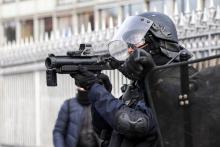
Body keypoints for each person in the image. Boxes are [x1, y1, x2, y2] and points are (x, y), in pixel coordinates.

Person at [71, 12, 190, 147]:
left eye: (136, 40)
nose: (129, 49)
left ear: (158, 42)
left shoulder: (178, 80)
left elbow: (136, 124)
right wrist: (101, 91)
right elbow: (103, 129)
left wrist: (95, 89)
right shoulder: (141, 84)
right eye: (129, 42)